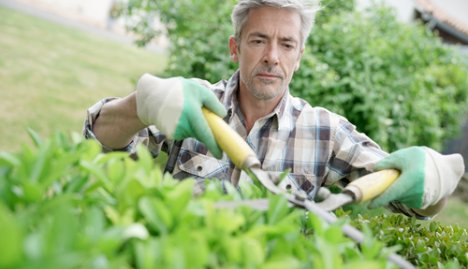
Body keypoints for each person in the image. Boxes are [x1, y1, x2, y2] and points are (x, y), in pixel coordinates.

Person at [84, 0, 464, 218]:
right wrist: (142, 102)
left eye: (286, 44)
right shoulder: (190, 101)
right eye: (259, 40)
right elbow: (97, 145)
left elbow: (412, 202)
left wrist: (434, 180)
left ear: (299, 56)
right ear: (236, 48)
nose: (271, 57)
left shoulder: (325, 131)